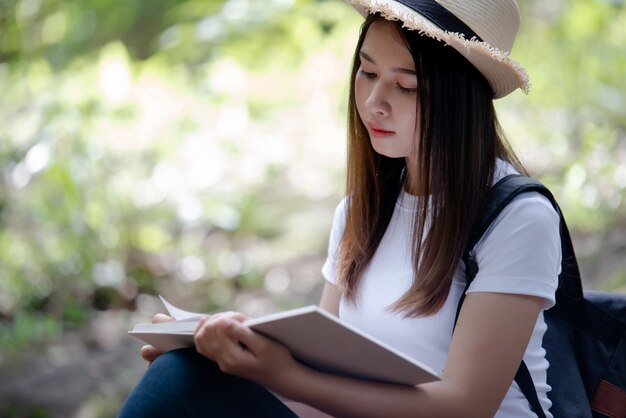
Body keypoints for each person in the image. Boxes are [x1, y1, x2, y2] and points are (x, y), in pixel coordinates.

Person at [118, 0, 561, 417]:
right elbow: (326, 381)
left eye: (405, 86)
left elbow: (465, 406)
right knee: (186, 375)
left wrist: (285, 377)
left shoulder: (516, 217)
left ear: (459, 99)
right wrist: (231, 358)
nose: (374, 103)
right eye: (367, 73)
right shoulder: (359, 212)